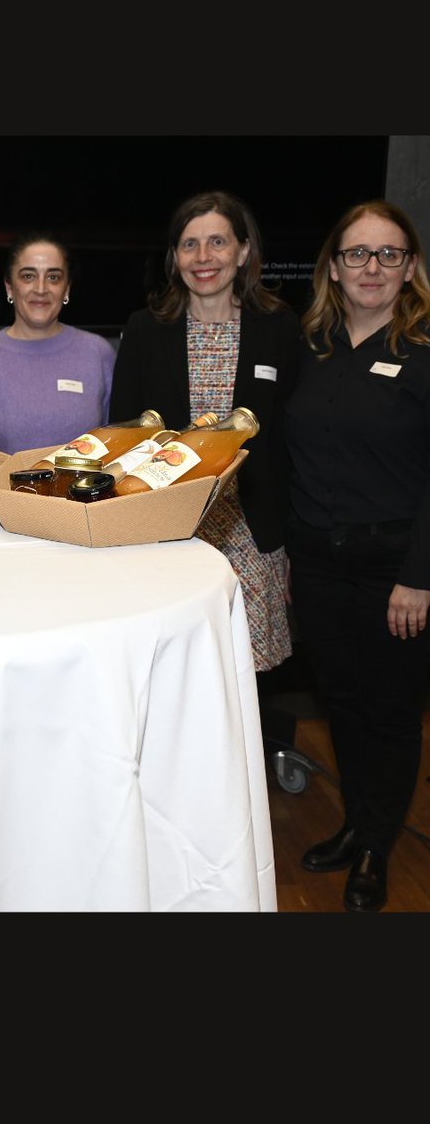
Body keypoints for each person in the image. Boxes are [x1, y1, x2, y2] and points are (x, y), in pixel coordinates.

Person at [108, 189, 302, 751]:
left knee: (247, 675)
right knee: (174, 670)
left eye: (218, 241)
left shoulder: (278, 328)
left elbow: (293, 440)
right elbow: (125, 436)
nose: (203, 256)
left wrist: (291, 543)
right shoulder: (147, 328)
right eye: (189, 244)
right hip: (172, 531)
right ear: (175, 258)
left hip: (252, 529)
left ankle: (241, 782)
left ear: (243, 251)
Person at [283, 199, 430, 913]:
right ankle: (353, 826)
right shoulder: (311, 346)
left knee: (391, 712)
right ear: (333, 269)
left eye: (388, 254)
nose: (371, 268)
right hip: (315, 565)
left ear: (410, 268)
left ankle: (376, 845)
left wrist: (419, 577)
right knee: (340, 704)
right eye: (357, 254)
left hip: (394, 573)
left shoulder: (426, 352)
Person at [0, 233, 117, 453]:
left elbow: (115, 445)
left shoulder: (98, 354)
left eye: (53, 277)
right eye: (28, 276)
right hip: (0, 488)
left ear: (67, 288)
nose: (41, 289)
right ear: (9, 287)